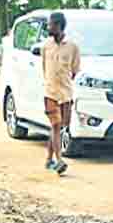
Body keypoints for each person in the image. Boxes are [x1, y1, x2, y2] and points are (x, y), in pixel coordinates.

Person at [42, 12, 80, 176]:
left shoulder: (72, 47)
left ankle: (49, 158)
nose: (48, 27)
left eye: (51, 24)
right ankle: (59, 160)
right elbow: (44, 69)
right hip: (50, 92)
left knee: (59, 127)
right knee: (56, 125)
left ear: (58, 26)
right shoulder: (46, 46)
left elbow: (74, 70)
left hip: (65, 94)